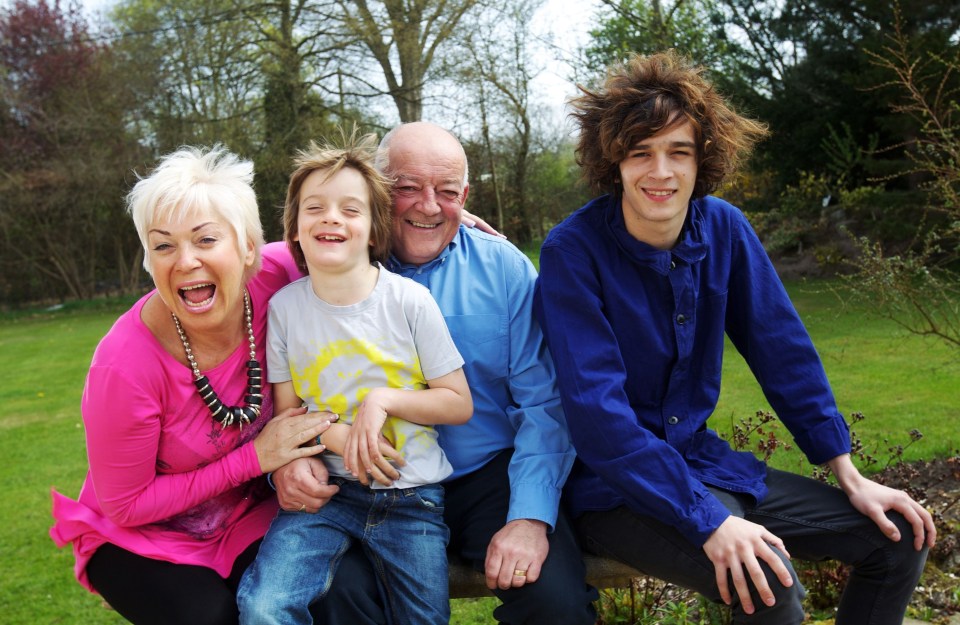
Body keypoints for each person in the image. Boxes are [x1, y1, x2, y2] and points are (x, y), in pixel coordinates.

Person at [533, 50, 936, 624]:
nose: (661, 172)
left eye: (679, 152)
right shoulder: (573, 252)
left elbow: (783, 352)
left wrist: (848, 474)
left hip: (704, 464)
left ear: (704, 160)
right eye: (640, 153)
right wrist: (712, 522)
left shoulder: (725, 228)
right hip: (616, 489)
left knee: (897, 539)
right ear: (612, 161)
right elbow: (599, 419)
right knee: (765, 581)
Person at [272, 121, 598, 625]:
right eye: (405, 188)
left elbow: (546, 403)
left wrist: (529, 517)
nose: (428, 206)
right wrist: (285, 464)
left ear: (465, 196)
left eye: (447, 193)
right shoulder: (326, 263)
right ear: (376, 191)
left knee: (554, 601)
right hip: (367, 482)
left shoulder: (503, 269)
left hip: (485, 477)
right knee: (337, 595)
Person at [49, 146, 339, 625]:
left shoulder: (281, 276)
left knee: (327, 593)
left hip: (247, 516)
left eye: (206, 240)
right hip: (139, 535)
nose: (185, 261)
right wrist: (255, 458)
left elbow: (355, 237)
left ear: (248, 247)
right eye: (163, 245)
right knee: (209, 616)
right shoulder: (123, 366)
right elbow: (126, 505)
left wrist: (445, 226)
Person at [236, 133, 472, 624]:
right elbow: (288, 415)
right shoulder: (285, 309)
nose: (331, 218)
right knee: (264, 606)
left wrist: (383, 400)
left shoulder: (408, 302)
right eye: (315, 208)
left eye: (350, 209)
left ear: (372, 228)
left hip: (412, 496)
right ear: (295, 230)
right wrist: (337, 436)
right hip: (326, 496)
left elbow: (457, 402)